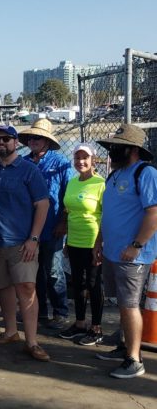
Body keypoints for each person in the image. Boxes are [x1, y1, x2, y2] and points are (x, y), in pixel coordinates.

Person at [94, 124, 157, 379]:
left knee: (130, 304)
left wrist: (136, 245)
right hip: (113, 251)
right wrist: (99, 242)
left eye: (116, 147)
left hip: (133, 255)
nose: (111, 151)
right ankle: (124, 345)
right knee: (120, 303)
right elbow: (108, 213)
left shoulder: (146, 172)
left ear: (131, 149)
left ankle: (134, 359)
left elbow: (153, 213)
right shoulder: (115, 174)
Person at [0, 125, 50, 362]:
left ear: (15, 142)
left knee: (26, 288)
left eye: (5, 139)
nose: (1, 142)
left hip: (22, 242)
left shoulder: (29, 170)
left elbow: (42, 204)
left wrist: (34, 238)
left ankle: (32, 341)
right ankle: (11, 331)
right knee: (3, 288)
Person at [19, 119, 74, 329]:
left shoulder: (61, 163)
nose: (33, 141)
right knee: (32, 272)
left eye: (37, 138)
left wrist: (63, 222)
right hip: (29, 228)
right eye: (31, 137)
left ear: (47, 141)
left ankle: (60, 311)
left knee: (53, 270)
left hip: (52, 227)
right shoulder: (23, 163)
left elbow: (67, 195)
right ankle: (38, 310)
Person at [56, 143, 105, 346]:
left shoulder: (101, 184)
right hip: (74, 240)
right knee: (77, 283)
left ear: (93, 160)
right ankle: (80, 323)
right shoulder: (73, 182)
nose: (81, 162)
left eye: (85, 158)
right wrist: (67, 240)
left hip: (93, 241)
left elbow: (106, 215)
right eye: (77, 158)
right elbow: (69, 211)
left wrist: (99, 244)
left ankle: (96, 327)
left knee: (93, 285)